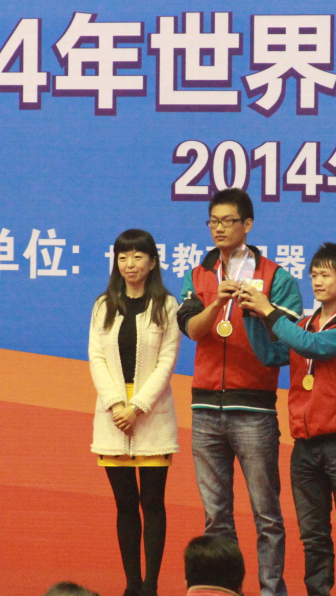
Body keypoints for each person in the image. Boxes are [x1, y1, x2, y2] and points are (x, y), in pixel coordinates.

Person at [177, 188, 303, 596]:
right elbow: (191, 329)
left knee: (267, 515)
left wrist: (261, 309)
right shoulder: (199, 274)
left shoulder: (276, 277)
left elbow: (289, 343)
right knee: (216, 516)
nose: (219, 228)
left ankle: (271, 591)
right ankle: (222, 591)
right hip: (204, 409)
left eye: (228, 221)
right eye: (213, 221)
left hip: (254, 411)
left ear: (247, 224)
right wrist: (216, 305)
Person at [239, 242, 336, 596]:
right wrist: (251, 315)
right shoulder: (303, 324)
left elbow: (313, 346)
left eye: (325, 275)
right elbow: (270, 355)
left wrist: (269, 311)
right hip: (304, 446)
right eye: (313, 274)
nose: (317, 281)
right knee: (313, 537)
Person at [89, 229, 181, 596]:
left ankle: (151, 586)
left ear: (153, 262)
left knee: (152, 503)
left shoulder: (166, 305)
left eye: (138, 256)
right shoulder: (104, 305)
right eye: (123, 257)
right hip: (112, 414)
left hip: (152, 412)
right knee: (125, 505)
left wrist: (138, 406)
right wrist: (117, 404)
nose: (130, 264)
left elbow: (167, 361)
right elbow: (96, 357)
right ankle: (131, 585)